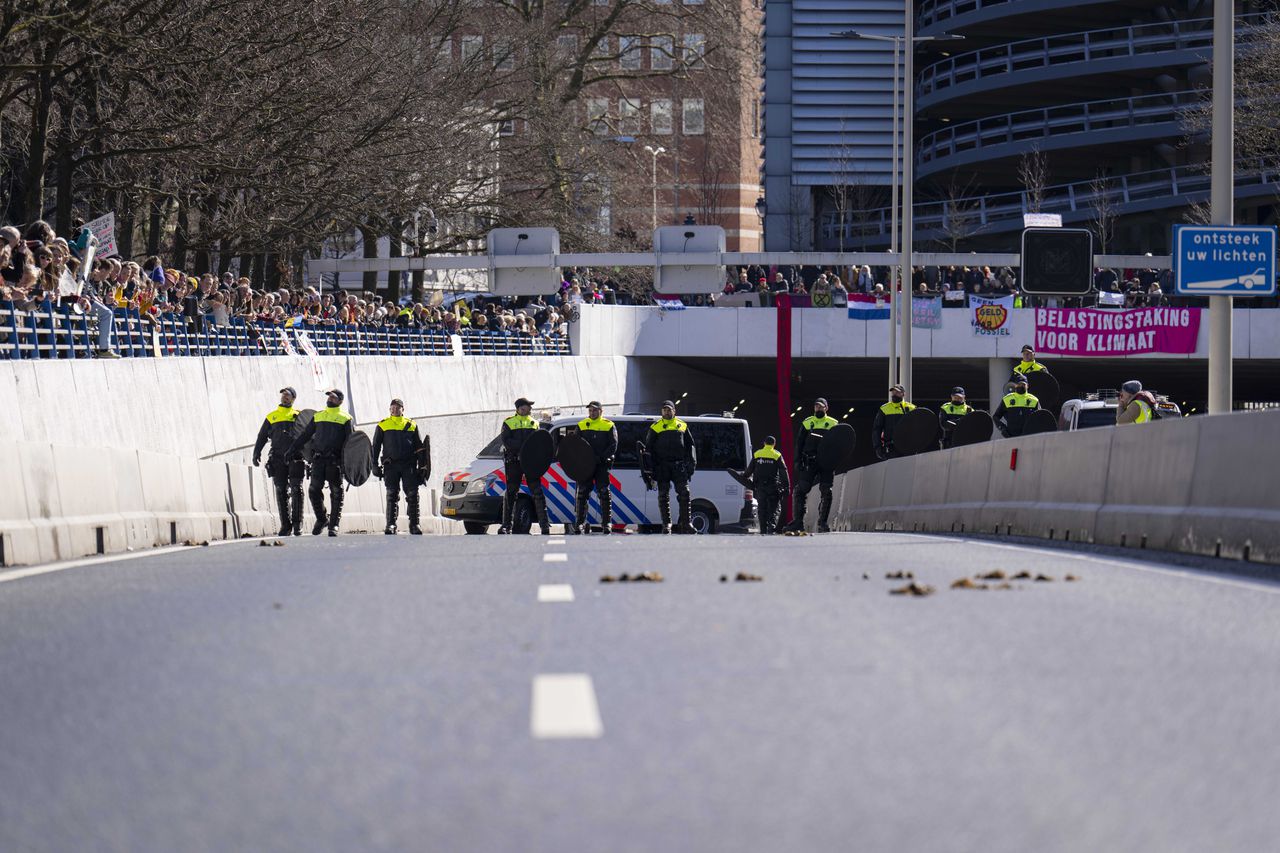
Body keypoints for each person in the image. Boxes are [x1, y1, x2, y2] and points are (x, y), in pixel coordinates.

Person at [288, 388, 353, 536]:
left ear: (340, 401)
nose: (330, 398)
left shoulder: (346, 418)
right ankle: (322, 518)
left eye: (333, 397)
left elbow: (351, 444)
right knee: (313, 490)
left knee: (336, 492)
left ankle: (334, 525)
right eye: (329, 396)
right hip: (318, 460)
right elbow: (305, 435)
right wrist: (292, 449)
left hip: (335, 462)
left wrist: (347, 465)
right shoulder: (318, 416)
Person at [252, 386, 306, 536]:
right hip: (277, 458)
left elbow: (308, 436)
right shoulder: (272, 416)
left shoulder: (299, 415)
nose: (284, 397)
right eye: (283, 394)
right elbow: (262, 436)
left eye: (288, 395)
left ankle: (297, 524)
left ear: (293, 398)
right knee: (281, 490)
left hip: (296, 457)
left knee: (297, 489)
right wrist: (256, 452)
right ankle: (285, 525)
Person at [498, 397, 552, 535]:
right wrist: (524, 447)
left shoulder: (534, 423)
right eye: (528, 406)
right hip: (514, 462)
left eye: (530, 407)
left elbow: (538, 443)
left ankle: (544, 525)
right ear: (520, 408)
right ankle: (506, 526)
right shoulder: (509, 422)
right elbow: (506, 441)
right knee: (511, 493)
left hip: (530, 463)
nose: (530, 409)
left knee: (537, 493)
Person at [372, 398, 425, 535]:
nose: (394, 409)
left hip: (409, 465)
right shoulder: (383, 425)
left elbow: (419, 447)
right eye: (392, 407)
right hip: (391, 466)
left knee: (413, 495)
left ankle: (414, 524)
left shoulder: (411, 425)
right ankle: (390, 525)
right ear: (390, 410)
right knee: (392, 495)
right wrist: (374, 465)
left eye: (397, 407)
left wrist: (423, 466)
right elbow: (376, 447)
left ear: (403, 409)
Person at [643, 400, 697, 534]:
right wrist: (651, 469)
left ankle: (686, 524)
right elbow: (647, 449)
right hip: (662, 466)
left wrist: (692, 465)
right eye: (664, 410)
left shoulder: (682, 425)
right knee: (663, 496)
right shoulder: (655, 427)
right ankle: (666, 525)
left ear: (674, 411)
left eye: (669, 409)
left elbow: (691, 446)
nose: (666, 412)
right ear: (661, 411)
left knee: (685, 493)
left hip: (679, 466)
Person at [787, 397, 838, 532]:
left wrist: (835, 460)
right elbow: (799, 444)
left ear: (826, 408)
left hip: (826, 463)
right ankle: (798, 522)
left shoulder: (834, 424)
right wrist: (797, 461)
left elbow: (840, 446)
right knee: (800, 490)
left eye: (821, 407)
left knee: (826, 491)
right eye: (816, 406)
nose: (818, 409)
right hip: (810, 461)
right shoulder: (807, 423)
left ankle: (822, 523)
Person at [571, 401, 618, 534]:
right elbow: (575, 445)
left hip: (601, 466)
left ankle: (606, 523)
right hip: (586, 466)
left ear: (601, 411)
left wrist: (601, 458)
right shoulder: (581, 425)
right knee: (582, 494)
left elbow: (613, 445)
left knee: (604, 493)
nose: (592, 413)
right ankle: (580, 523)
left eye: (595, 410)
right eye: (590, 410)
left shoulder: (609, 425)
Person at [741, 435, 790, 535]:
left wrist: (744, 476)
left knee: (762, 509)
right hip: (773, 487)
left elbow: (749, 470)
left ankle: (763, 530)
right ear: (774, 444)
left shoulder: (757, 454)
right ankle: (771, 529)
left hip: (760, 487)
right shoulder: (777, 455)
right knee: (773, 509)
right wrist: (787, 487)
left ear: (764, 443)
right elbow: (783, 472)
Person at [873, 384, 916, 459]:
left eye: (897, 392)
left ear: (903, 394)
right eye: (893, 392)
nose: (894, 394)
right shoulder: (884, 408)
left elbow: (917, 429)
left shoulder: (912, 408)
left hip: (908, 447)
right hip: (890, 447)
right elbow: (877, 429)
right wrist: (878, 447)